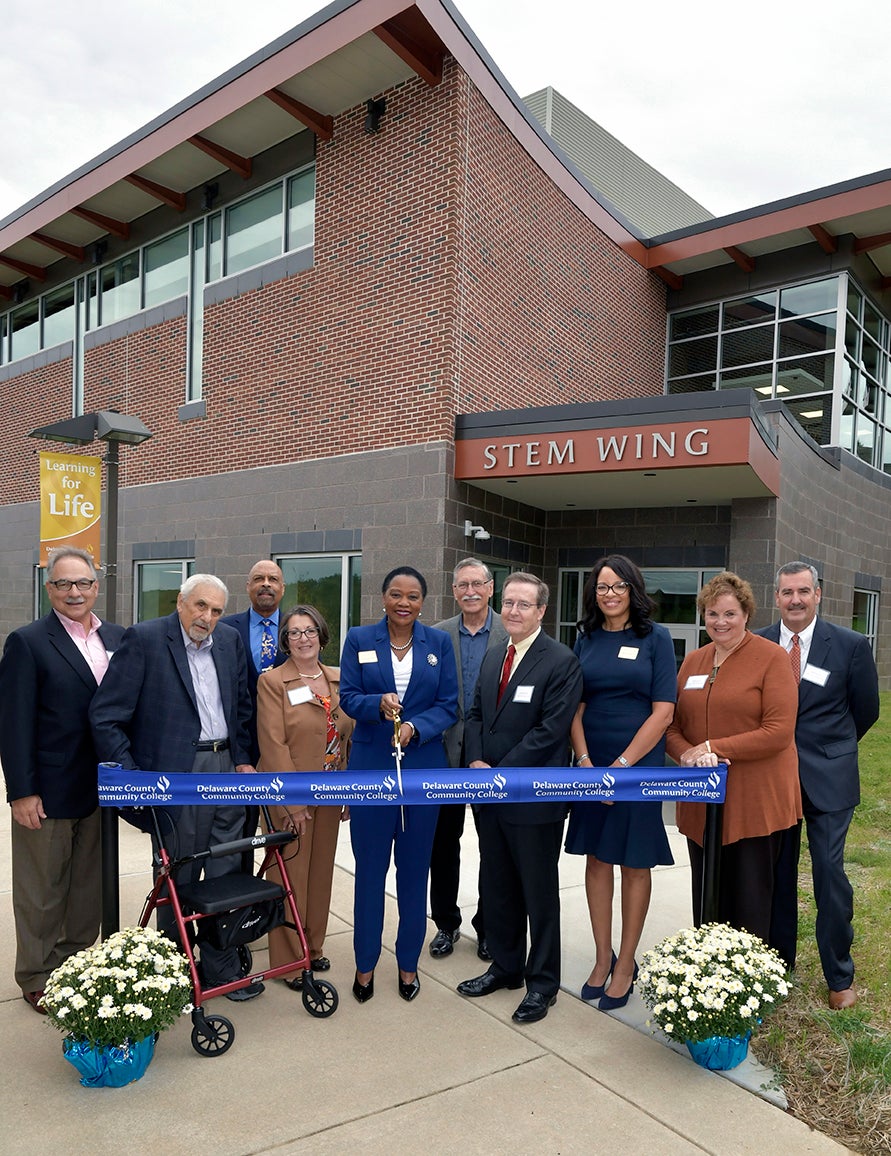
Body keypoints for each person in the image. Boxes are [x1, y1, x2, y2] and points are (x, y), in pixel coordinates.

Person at [90, 574, 261, 1000]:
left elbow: (241, 705)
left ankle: (221, 972)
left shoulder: (229, 642)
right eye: (201, 606)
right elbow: (106, 715)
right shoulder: (144, 639)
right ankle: (173, 977)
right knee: (179, 873)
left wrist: (242, 758)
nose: (208, 617)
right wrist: (138, 780)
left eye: (217, 610)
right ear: (181, 603)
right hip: (176, 776)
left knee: (226, 872)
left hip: (226, 770)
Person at [0, 547, 125, 1015]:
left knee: (87, 887)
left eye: (83, 583)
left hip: (102, 787)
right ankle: (36, 974)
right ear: (48, 589)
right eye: (63, 584)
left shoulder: (117, 637)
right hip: (47, 789)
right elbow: (13, 723)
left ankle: (74, 963)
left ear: (97, 586)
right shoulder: (28, 642)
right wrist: (21, 791)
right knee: (42, 888)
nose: (74, 592)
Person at [457, 572, 582, 1024]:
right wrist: (475, 763)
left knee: (539, 893)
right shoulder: (494, 656)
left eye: (523, 605)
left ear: (541, 611)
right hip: (487, 795)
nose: (512, 611)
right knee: (498, 886)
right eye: (508, 603)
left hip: (534, 799)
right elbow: (474, 716)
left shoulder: (561, 661)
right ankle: (506, 967)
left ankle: (542, 984)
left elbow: (551, 731)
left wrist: (501, 772)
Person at [756, 562, 879, 1009]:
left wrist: (830, 751)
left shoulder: (848, 645)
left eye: (803, 591)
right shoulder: (760, 642)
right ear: (777, 597)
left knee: (828, 875)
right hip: (772, 778)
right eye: (787, 592)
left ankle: (838, 976)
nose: (795, 600)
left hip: (828, 777)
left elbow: (866, 711)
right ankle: (776, 965)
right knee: (774, 874)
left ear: (819, 595)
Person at [666, 572, 802, 962]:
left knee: (750, 895)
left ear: (746, 614)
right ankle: (710, 973)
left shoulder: (771, 657)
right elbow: (672, 726)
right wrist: (689, 754)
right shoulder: (694, 660)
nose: (720, 622)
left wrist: (712, 746)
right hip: (701, 800)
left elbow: (778, 732)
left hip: (754, 801)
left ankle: (751, 977)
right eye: (712, 614)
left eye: (730, 613)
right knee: (707, 892)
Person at [338, 566, 458, 1004]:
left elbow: (449, 706)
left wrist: (416, 727)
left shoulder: (439, 644)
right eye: (395, 594)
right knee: (369, 874)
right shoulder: (358, 639)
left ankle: (408, 964)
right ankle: (365, 964)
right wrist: (377, 703)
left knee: (414, 874)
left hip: (423, 772)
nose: (403, 603)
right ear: (383, 597)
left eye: (411, 596)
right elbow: (347, 696)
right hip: (371, 769)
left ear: (423, 602)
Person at [566, 555, 676, 1011]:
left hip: (637, 765)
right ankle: (600, 956)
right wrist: (588, 762)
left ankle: (626, 963)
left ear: (634, 589)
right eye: (601, 587)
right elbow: (574, 706)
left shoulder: (656, 638)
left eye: (617, 586)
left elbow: (664, 710)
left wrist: (622, 767)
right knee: (596, 860)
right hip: (592, 766)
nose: (608, 594)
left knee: (633, 863)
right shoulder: (585, 638)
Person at [256, 604, 354, 986]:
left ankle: (313, 947)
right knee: (289, 876)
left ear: (322, 635)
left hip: (330, 793)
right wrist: (292, 803)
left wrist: (346, 791)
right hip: (291, 794)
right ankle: (289, 959)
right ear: (285, 640)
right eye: (294, 632)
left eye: (310, 630)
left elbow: (345, 739)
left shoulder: (339, 679)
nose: (303, 639)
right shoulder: (273, 681)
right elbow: (273, 744)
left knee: (320, 874)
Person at [428, 557, 508, 961]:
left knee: (493, 847)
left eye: (478, 584)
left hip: (492, 761)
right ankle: (445, 924)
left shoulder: (510, 633)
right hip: (445, 757)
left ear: (491, 587)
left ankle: (489, 926)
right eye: (462, 585)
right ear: (454, 590)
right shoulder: (438, 636)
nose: (470, 591)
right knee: (443, 846)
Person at [221, 559, 288, 853]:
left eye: (273, 579)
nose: (266, 584)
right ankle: (243, 896)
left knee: (284, 834)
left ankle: (276, 897)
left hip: (286, 746)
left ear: (282, 589)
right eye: (259, 578)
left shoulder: (298, 629)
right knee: (241, 834)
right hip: (239, 744)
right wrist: (239, 755)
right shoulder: (223, 628)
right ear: (248, 587)